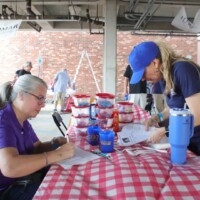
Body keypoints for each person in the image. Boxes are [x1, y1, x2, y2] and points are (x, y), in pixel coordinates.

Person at [0, 74, 75, 199]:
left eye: (44, 100)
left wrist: (54, 143)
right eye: (39, 98)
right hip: (7, 189)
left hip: (24, 178)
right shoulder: (3, 121)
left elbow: (36, 147)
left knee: (68, 178)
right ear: (21, 94)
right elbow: (10, 167)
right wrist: (57, 154)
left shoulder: (23, 120)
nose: (43, 105)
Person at [128, 41, 200, 155]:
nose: (142, 79)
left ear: (155, 63)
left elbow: (198, 116)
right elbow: (172, 109)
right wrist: (154, 119)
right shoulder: (163, 77)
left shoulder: (183, 70)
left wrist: (165, 131)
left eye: (142, 74)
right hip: (186, 141)